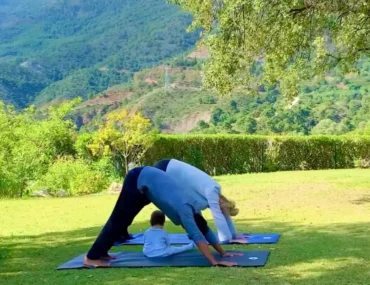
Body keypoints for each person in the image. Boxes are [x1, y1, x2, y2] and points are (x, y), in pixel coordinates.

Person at [84, 166, 241, 268]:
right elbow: (198, 235)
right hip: (139, 179)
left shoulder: (195, 210)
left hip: (149, 185)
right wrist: (215, 261)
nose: (188, 229)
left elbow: (204, 230)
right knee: (118, 220)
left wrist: (223, 253)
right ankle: (91, 257)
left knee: (124, 220)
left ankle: (102, 252)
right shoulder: (186, 212)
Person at [154, 159, 247, 244]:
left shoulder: (204, 198)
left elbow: (224, 216)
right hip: (165, 168)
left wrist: (234, 235)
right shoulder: (213, 189)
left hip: (167, 169)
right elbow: (217, 215)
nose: (219, 207)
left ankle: (192, 234)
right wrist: (227, 239)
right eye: (222, 208)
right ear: (223, 201)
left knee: (189, 211)